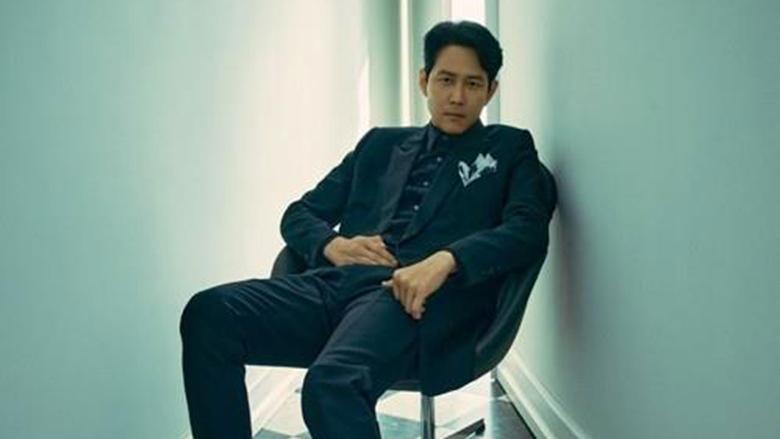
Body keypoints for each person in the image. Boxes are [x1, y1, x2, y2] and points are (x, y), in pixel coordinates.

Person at [180, 20, 556, 439]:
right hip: (332, 286)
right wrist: (332, 244)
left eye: (473, 84)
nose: (457, 96)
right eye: (446, 80)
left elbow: (527, 230)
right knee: (209, 314)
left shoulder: (509, 148)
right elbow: (299, 214)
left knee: (330, 386)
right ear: (424, 81)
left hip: (413, 301)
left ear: (491, 91)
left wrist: (446, 261)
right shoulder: (378, 144)